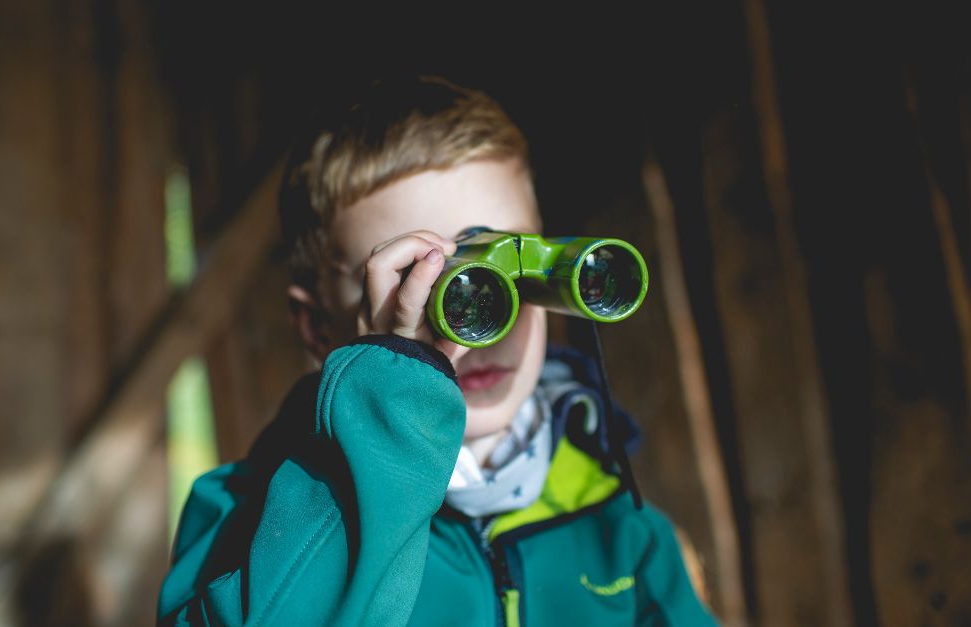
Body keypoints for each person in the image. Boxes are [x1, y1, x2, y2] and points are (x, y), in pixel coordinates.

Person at [156, 75, 717, 626]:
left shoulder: (624, 535)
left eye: (513, 278)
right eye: (419, 288)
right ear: (315, 325)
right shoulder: (240, 515)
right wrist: (397, 394)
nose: (478, 331)